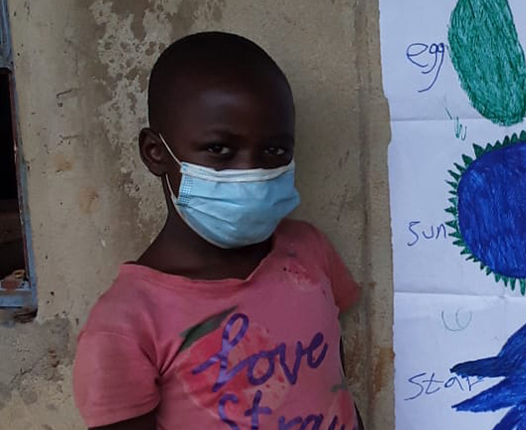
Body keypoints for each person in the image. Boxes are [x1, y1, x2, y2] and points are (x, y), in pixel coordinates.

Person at [72, 32, 363, 430]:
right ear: (155, 153)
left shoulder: (310, 250)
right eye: (220, 150)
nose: (252, 172)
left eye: (275, 151)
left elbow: (335, 387)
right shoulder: (125, 326)